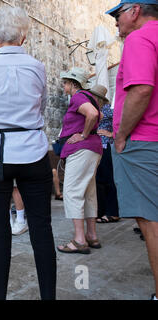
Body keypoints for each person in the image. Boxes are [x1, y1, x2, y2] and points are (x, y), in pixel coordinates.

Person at [0, 6, 56, 300]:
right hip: (33, 150)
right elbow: (41, 107)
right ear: (24, 37)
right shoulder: (37, 67)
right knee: (42, 230)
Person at [106, 0, 158, 300]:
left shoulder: (139, 37)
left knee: (150, 221)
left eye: (118, 14)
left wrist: (122, 134)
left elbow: (141, 89)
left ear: (135, 11)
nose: (116, 22)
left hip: (144, 141)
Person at [56, 67, 103, 255]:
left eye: (66, 82)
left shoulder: (78, 97)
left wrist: (83, 135)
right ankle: (91, 236)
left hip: (82, 150)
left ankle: (79, 240)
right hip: (93, 149)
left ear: (73, 84)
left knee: (72, 192)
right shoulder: (88, 97)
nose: (64, 85)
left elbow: (92, 114)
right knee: (89, 192)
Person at [89, 84, 120, 223]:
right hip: (95, 147)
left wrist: (111, 133)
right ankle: (100, 211)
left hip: (106, 146)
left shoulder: (107, 110)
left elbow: (120, 122)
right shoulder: (92, 108)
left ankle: (113, 212)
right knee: (98, 180)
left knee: (108, 180)